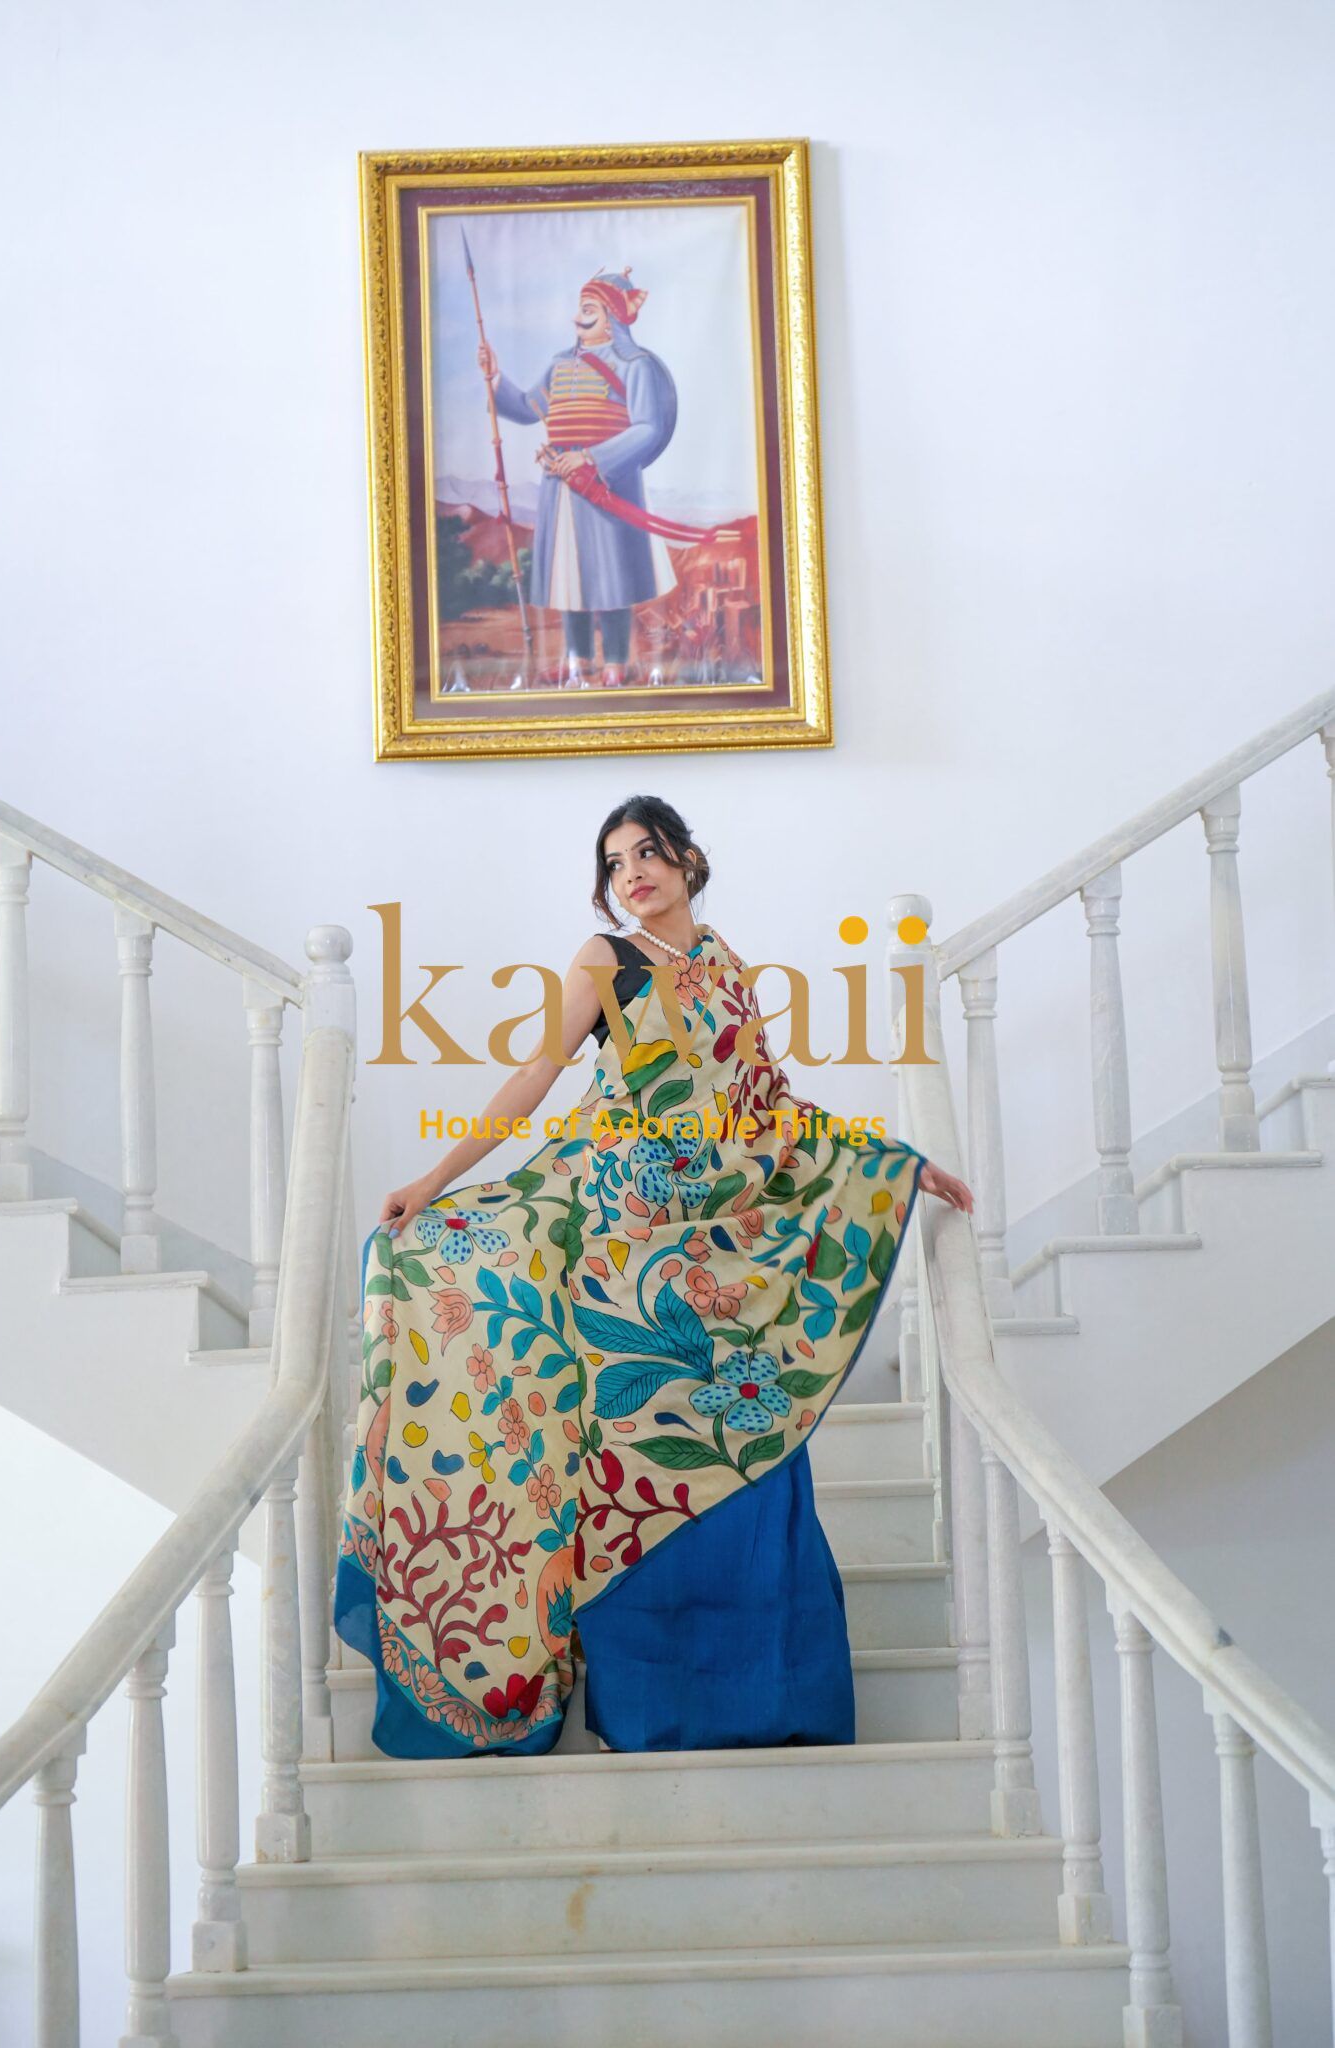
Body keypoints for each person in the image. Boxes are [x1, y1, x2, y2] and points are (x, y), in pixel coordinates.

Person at [333, 797, 973, 1757]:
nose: (631, 870)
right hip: (621, 1249)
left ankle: (770, 1701)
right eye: (613, 859)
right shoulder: (606, 961)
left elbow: (770, 1109)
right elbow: (534, 1076)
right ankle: (655, 1709)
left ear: (687, 860)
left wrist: (893, 1163)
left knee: (747, 1440)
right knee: (639, 1455)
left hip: (718, 1252)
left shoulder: (726, 968)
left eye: (647, 851)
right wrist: (433, 1180)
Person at [478, 269, 678, 687]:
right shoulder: (559, 365)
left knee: (610, 576)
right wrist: (495, 377)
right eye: (579, 309)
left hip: (606, 483)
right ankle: (577, 659)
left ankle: (616, 663)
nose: (577, 318)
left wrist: (591, 458)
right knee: (568, 574)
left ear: (612, 316)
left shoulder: (635, 367)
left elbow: (648, 428)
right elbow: (527, 408)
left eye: (588, 309)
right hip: (559, 484)